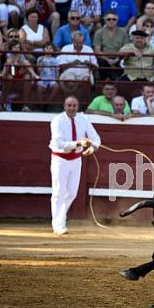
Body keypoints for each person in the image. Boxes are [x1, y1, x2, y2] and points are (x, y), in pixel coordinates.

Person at [49, 95, 101, 235]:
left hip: (76, 159)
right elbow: (60, 144)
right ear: (64, 106)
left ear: (78, 107)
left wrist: (93, 147)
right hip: (60, 159)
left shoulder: (83, 119)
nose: (71, 108)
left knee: (72, 193)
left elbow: (95, 138)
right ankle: (58, 225)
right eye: (69, 105)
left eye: (74, 106)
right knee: (59, 192)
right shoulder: (57, 121)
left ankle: (60, 219)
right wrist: (78, 143)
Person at [93, 10, 129, 80]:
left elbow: (126, 49)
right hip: (103, 59)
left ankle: (113, 80)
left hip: (119, 58)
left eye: (114, 19)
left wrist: (116, 59)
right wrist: (108, 60)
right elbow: (97, 51)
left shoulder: (123, 32)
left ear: (117, 20)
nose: (111, 21)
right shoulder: (99, 32)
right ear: (105, 20)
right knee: (101, 62)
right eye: (109, 19)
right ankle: (111, 80)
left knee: (123, 62)